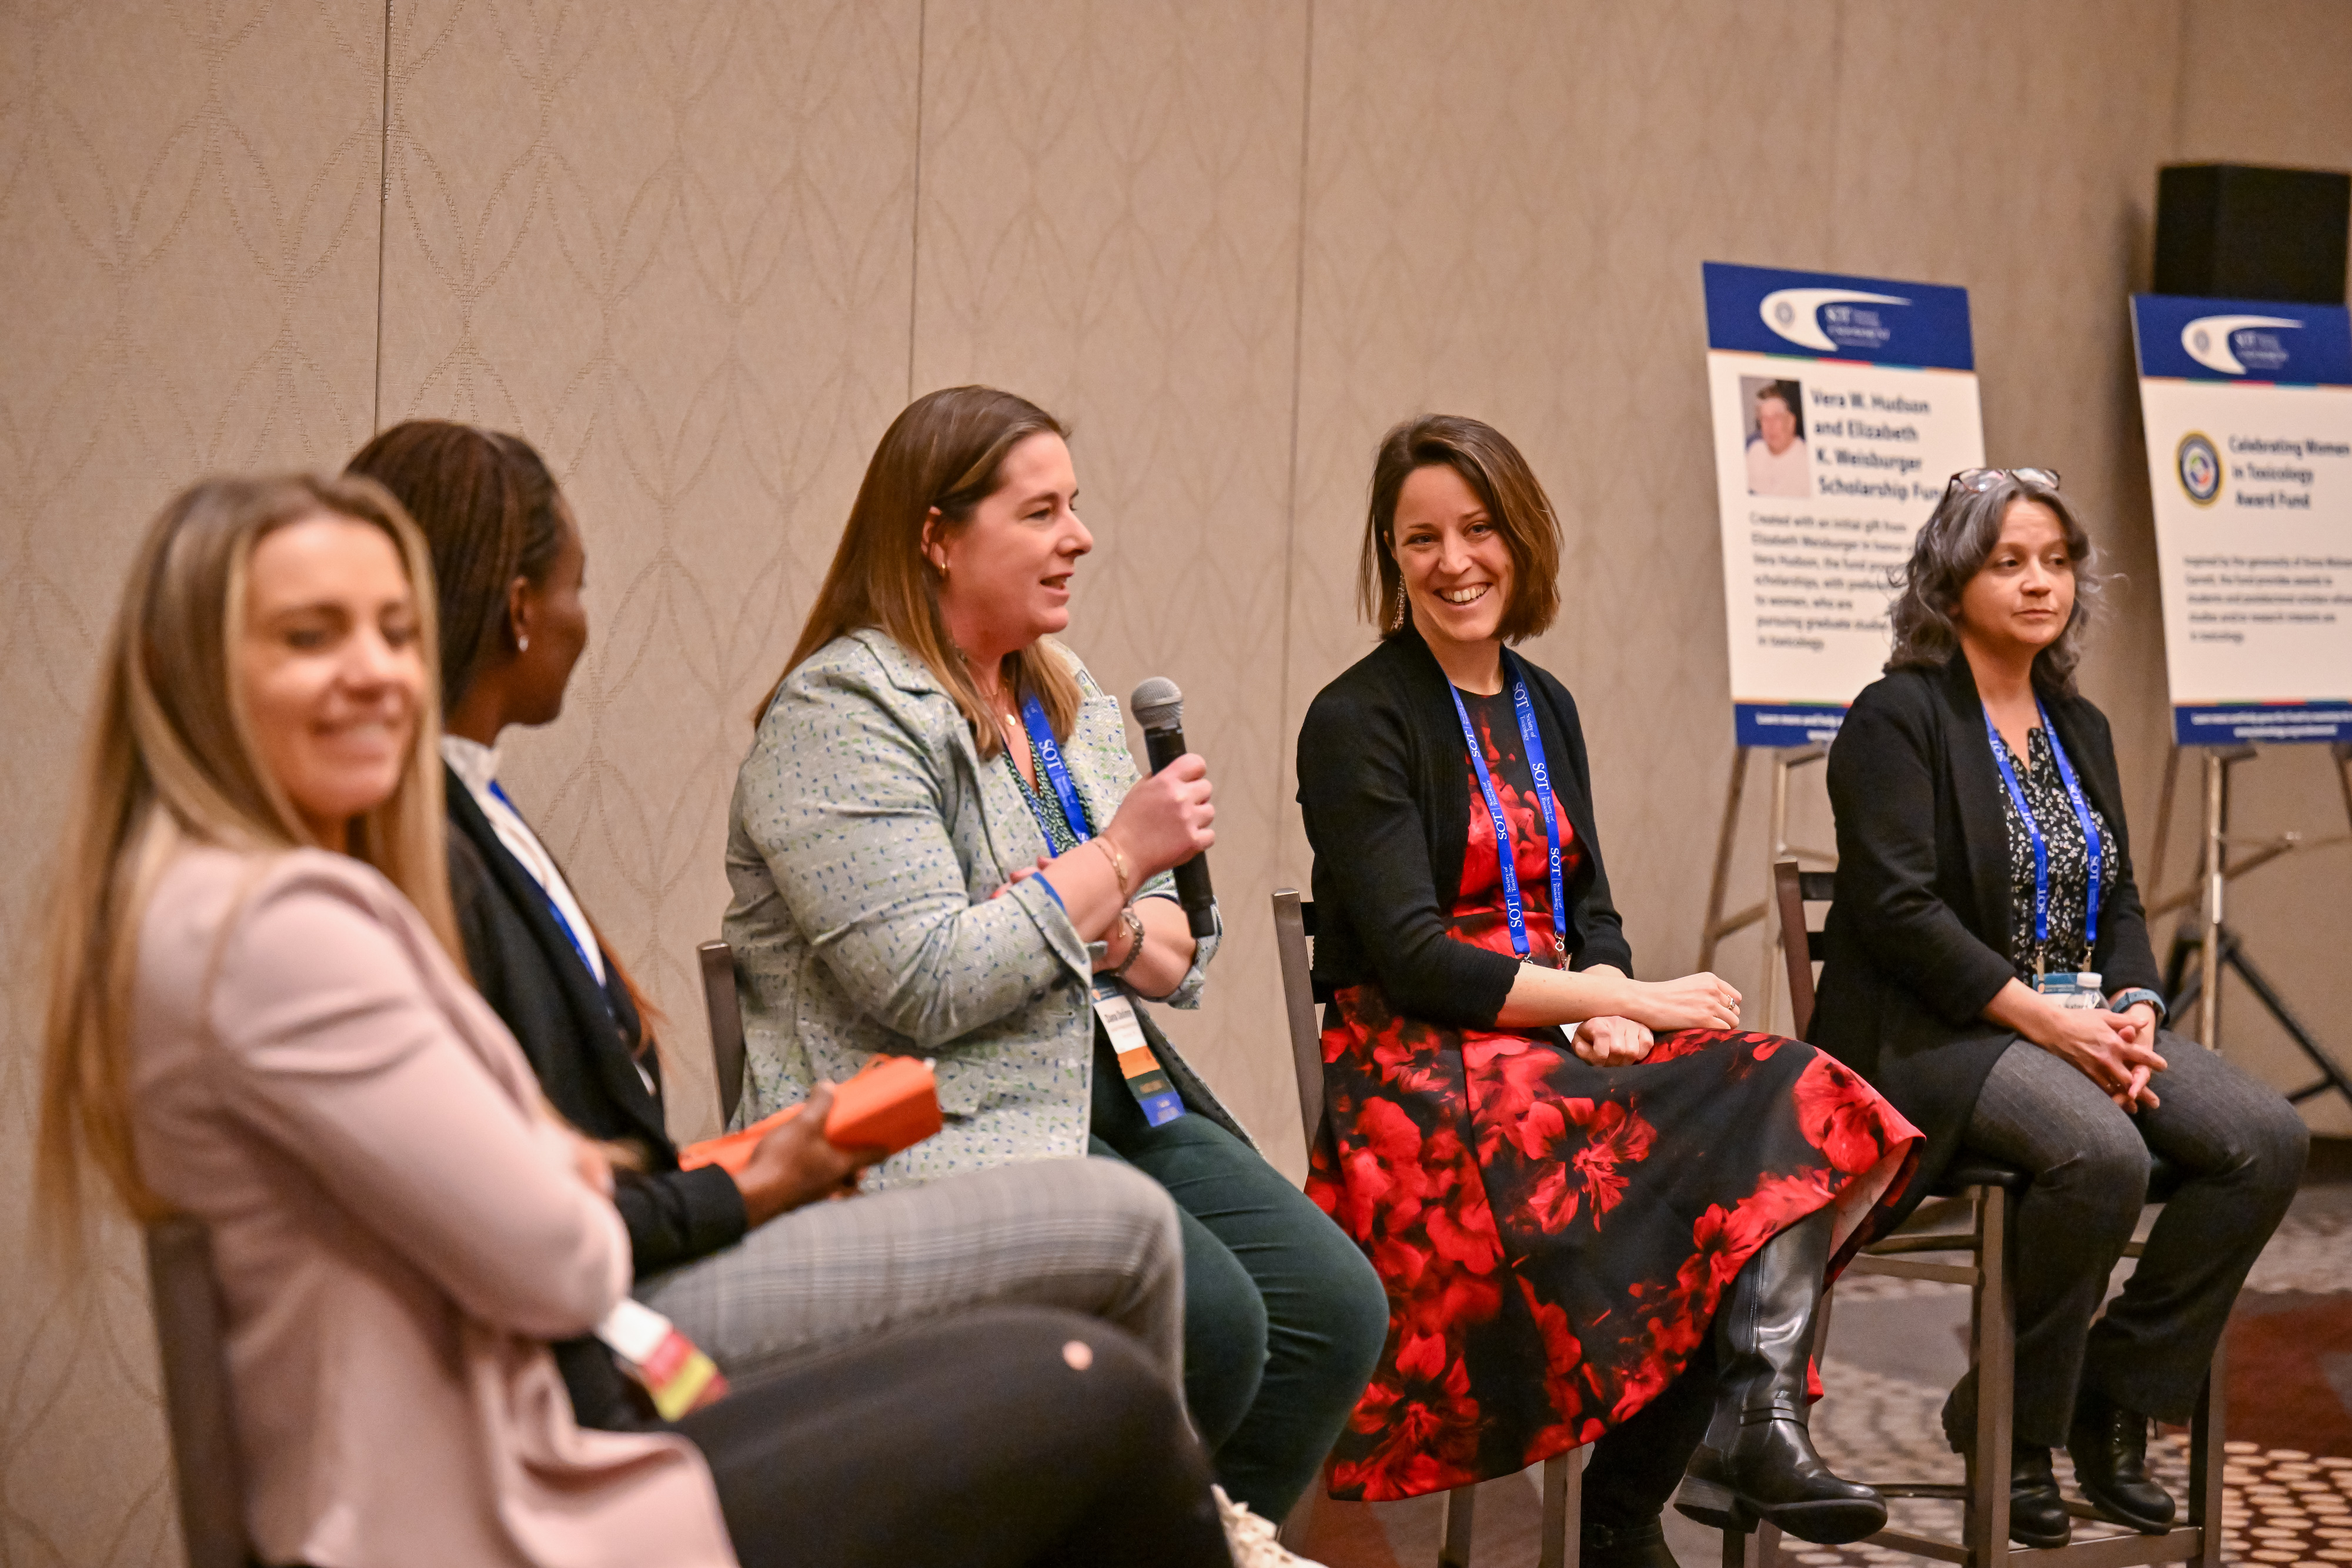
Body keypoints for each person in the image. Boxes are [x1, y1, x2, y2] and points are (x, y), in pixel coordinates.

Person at [31, 472, 1236, 1568]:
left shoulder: (238, 897)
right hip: (506, 1489)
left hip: (541, 1392)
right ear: (199, 673)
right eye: (310, 637)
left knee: (1116, 1315)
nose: (375, 670)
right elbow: (558, 1252)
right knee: (1100, 1390)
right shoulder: (282, 926)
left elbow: (533, 1180)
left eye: (392, 631)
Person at [345, 420, 1200, 1410]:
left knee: (1284, 1282)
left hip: (668, 1221)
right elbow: (542, 1220)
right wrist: (755, 1184)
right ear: (520, 610)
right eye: (577, 587)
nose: (586, 622)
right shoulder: (430, 859)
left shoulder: (469, 815)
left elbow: (1188, 944)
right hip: (613, 1307)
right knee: (1130, 1228)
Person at [724, 385, 1387, 1537]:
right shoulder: (841, 711)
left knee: (1331, 1309)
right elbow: (927, 981)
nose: (1077, 536)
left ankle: (1192, 1545)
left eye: (1072, 506)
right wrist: (1115, 858)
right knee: (1215, 1322)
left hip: (1094, 1071)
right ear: (935, 536)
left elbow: (1179, 947)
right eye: (1039, 512)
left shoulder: (1058, 687)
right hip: (926, 1113)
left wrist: (1100, 910)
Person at [1295, 414, 1920, 1564]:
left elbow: (1590, 904)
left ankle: (1747, 1426)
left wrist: (1608, 989)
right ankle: (1626, 1514)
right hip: (1422, 1073)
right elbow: (1415, 955)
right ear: (1389, 557)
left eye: (1477, 529)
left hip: (1561, 1046)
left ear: (1522, 539)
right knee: (1702, 1178)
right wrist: (1611, 994)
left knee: (1798, 1091)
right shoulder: (1354, 718)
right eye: (1417, 538)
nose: (1452, 560)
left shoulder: (1546, 703)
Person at [1813, 467, 2307, 1547]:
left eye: (2057, 561)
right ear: (1952, 581)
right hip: (1933, 1038)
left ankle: (2104, 1394)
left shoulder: (2075, 723)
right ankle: (2021, 1430)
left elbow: (2119, 894)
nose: (2042, 583)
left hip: (2078, 1024)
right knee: (2101, 1153)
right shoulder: (1896, 717)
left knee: (2266, 1138)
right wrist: (2048, 1023)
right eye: (2010, 562)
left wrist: (2132, 1000)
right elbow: (1898, 913)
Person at [1745, 381, 1810, 497]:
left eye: (1777, 418)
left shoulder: (1807, 463)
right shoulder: (1755, 451)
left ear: (1791, 421)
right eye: (1765, 419)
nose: (1771, 426)